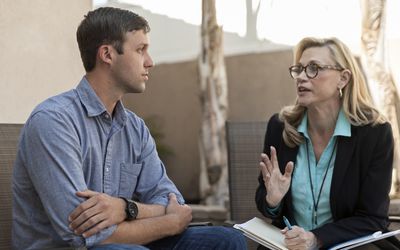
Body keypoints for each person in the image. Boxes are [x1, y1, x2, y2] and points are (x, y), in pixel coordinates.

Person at [12, 7, 246, 250]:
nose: (150, 61)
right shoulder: (53, 121)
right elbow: (82, 234)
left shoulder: (135, 128)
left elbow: (171, 201)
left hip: (124, 241)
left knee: (227, 241)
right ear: (107, 54)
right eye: (140, 50)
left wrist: (126, 208)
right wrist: (169, 223)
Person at [255, 37, 400, 250]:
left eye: (314, 68)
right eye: (299, 69)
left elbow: (372, 218)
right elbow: (264, 201)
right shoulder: (280, 127)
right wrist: (272, 201)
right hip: (289, 245)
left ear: (343, 78)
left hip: (349, 245)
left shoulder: (375, 134)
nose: (302, 77)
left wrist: (315, 239)